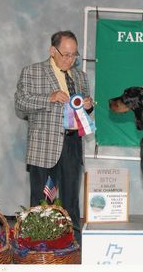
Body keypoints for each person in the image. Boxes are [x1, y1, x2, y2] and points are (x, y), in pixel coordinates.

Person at [14, 30, 93, 244]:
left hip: (73, 144)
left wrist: (88, 105)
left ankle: (73, 244)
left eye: (74, 55)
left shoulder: (80, 76)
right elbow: (21, 104)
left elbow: (83, 112)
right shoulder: (32, 72)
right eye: (66, 54)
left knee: (71, 200)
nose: (70, 59)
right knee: (42, 200)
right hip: (44, 146)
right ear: (52, 50)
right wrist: (48, 98)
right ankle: (38, 245)